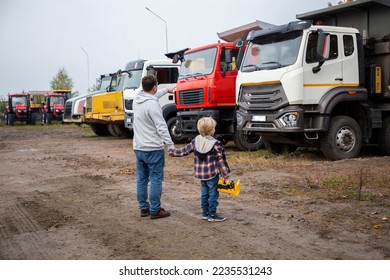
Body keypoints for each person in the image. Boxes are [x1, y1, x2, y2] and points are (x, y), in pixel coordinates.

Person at [169, 117, 230, 222]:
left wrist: (172, 151)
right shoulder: (215, 144)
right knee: (213, 194)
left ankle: (205, 213)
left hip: (201, 174)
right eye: (214, 128)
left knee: (204, 193)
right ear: (211, 130)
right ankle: (212, 214)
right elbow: (220, 160)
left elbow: (184, 151)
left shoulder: (196, 141)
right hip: (212, 174)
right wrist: (225, 173)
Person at [133, 74, 175, 219]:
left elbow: (152, 95)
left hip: (138, 148)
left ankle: (144, 208)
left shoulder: (137, 100)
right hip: (153, 149)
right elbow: (162, 126)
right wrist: (170, 144)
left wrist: (166, 90)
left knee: (142, 179)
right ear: (154, 86)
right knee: (156, 179)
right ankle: (155, 209)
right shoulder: (153, 104)